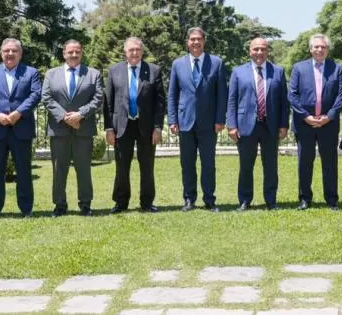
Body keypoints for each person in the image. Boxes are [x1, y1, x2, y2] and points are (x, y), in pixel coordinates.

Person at [0, 38, 42, 219]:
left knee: (23, 171)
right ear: (1, 53)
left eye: (14, 51)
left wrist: (18, 113)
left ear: (20, 54)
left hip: (21, 129)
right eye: (6, 50)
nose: (10, 54)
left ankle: (26, 209)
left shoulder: (31, 73)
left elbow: (35, 94)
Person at [226, 37, 289, 210]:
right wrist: (231, 126)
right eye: (256, 49)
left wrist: (284, 125)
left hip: (271, 126)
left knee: (271, 166)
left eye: (263, 49)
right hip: (246, 126)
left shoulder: (278, 71)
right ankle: (245, 200)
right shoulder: (238, 72)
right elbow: (232, 101)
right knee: (246, 165)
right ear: (250, 51)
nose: (259, 52)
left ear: (267, 51)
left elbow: (284, 101)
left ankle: (271, 200)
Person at [168, 27, 227, 212]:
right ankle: (189, 199)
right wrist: (172, 120)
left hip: (209, 123)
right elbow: (172, 94)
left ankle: (209, 200)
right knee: (187, 164)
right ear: (187, 42)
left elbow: (221, 95)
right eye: (192, 39)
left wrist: (220, 119)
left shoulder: (216, 63)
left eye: (199, 39)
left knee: (208, 164)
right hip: (185, 122)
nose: (195, 42)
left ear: (204, 41)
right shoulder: (178, 64)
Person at [104, 37, 165, 214]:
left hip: (146, 126)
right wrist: (109, 128)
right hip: (122, 127)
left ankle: (147, 202)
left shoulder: (153, 71)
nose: (135, 53)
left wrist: (158, 127)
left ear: (142, 51)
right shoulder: (114, 71)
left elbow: (159, 102)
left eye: (138, 49)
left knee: (147, 166)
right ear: (125, 51)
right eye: (131, 50)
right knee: (121, 167)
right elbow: (108, 103)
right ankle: (121, 202)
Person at [42, 39, 103, 217]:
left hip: (83, 130)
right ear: (64, 53)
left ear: (82, 52)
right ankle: (59, 205)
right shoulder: (51, 74)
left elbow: (98, 98)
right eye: (70, 52)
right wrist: (64, 117)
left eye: (77, 51)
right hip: (59, 130)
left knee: (84, 169)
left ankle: (85, 204)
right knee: (59, 169)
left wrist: (80, 115)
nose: (74, 55)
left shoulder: (93, 74)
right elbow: (46, 98)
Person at [288, 33, 342, 210]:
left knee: (329, 163)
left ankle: (331, 199)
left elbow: (341, 95)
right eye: (316, 47)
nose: (319, 50)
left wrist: (329, 116)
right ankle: (305, 198)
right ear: (311, 49)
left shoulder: (336, 68)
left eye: (323, 47)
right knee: (305, 162)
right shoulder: (299, 68)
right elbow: (293, 94)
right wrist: (306, 116)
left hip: (328, 124)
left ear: (327, 50)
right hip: (304, 123)